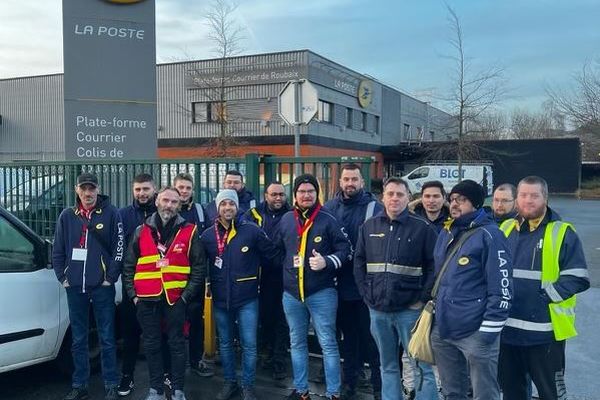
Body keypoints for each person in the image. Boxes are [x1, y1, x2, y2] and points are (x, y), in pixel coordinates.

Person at [498, 176, 590, 400]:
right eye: (523, 195)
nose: (528, 200)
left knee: (551, 394)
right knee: (512, 393)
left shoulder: (562, 232)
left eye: (534, 195)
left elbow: (578, 277)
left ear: (545, 198)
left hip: (545, 335)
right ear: (517, 198)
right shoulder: (506, 228)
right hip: (507, 333)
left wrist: (543, 297)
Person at [353, 177, 438, 400]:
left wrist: (422, 298)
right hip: (378, 310)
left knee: (421, 367)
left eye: (400, 194)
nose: (394, 198)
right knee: (387, 365)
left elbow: (435, 267)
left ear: (408, 198)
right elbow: (359, 262)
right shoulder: (369, 226)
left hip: (410, 311)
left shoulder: (423, 228)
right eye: (390, 193)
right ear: (383, 197)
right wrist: (366, 293)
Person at [430, 179, 512, 400]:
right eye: (453, 199)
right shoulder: (447, 231)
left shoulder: (491, 235)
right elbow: (439, 277)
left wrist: (488, 332)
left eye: (462, 200)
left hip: (476, 331)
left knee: (484, 394)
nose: (454, 204)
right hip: (444, 328)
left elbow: (502, 286)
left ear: (475, 204)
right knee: (452, 392)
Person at [122, 187, 206, 400]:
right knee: (151, 345)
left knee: (177, 344)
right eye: (165, 200)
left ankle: (178, 389)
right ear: (157, 201)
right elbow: (129, 266)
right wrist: (133, 295)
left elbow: (199, 269)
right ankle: (156, 390)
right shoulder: (142, 230)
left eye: (174, 202)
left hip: (175, 298)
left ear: (179, 205)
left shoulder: (190, 231)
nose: (169, 205)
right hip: (146, 299)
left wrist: (186, 297)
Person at [276, 174, 352, 400]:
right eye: (302, 191)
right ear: (295, 195)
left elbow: (345, 250)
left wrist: (327, 262)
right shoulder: (287, 219)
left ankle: (333, 393)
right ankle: (301, 390)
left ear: (316, 193)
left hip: (322, 292)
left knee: (328, 343)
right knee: (297, 342)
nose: (306, 195)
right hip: (291, 294)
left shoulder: (328, 219)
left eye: (310, 191)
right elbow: (279, 250)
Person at [201, 189, 281, 400]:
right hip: (220, 299)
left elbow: (272, 255)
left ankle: (248, 385)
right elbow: (201, 265)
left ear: (237, 207)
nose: (228, 207)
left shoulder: (252, 231)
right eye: (224, 204)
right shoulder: (208, 235)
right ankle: (230, 382)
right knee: (225, 344)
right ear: (217, 207)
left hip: (247, 298)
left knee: (249, 344)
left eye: (232, 204)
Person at [52, 172, 124, 400]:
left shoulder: (112, 214)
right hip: (75, 287)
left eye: (91, 188)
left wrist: (110, 277)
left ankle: (111, 384)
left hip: (102, 286)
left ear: (97, 189)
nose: (88, 193)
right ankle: (79, 384)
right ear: (77, 190)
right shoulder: (67, 216)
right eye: (84, 188)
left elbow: (119, 248)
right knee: (79, 339)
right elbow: (58, 249)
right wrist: (62, 277)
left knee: (107, 337)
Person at [324, 163, 383, 400]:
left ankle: (380, 388)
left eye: (354, 179)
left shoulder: (374, 208)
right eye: (346, 179)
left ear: (362, 182)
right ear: (340, 182)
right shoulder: (329, 208)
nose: (350, 183)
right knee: (347, 339)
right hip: (338, 286)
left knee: (372, 340)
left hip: (367, 287)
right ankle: (350, 382)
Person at [244, 181, 291, 380]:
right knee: (264, 316)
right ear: (266, 195)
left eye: (281, 194)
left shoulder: (291, 215)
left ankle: (280, 359)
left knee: (283, 318)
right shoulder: (252, 215)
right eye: (274, 194)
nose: (278, 198)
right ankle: (266, 352)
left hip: (282, 275)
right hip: (258, 274)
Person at [117, 173, 158, 397]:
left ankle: (161, 378)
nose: (142, 193)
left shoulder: (162, 211)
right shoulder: (123, 215)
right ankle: (127, 376)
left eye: (145, 189)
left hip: (158, 283)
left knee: (158, 334)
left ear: (154, 189)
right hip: (131, 283)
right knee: (130, 332)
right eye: (138, 190)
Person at [172, 172, 213, 378]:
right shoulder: (167, 209)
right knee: (173, 323)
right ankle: (173, 364)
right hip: (172, 277)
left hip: (195, 276)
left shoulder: (200, 211)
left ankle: (196, 360)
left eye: (188, 188)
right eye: (181, 187)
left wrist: (205, 277)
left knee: (196, 320)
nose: (184, 191)